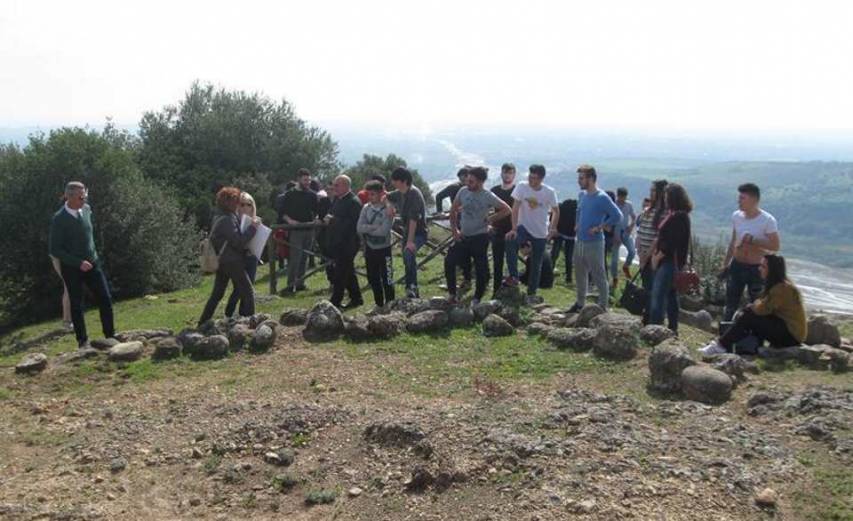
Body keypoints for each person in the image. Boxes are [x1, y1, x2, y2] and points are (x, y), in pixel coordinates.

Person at [48, 181, 115, 348]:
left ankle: (111, 335)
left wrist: (93, 256)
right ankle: (82, 342)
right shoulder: (59, 219)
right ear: (69, 197)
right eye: (81, 196)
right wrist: (78, 262)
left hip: (93, 263)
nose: (84, 199)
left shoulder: (86, 209)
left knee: (105, 298)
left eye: (85, 195)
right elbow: (55, 249)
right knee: (77, 305)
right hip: (72, 268)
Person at [701, 254, 806, 355]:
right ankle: (732, 345)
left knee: (750, 315)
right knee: (750, 314)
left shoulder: (781, 288)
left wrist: (752, 306)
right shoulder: (779, 285)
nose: (759, 268)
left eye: (763, 266)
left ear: (772, 270)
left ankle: (721, 345)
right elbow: (763, 306)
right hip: (787, 331)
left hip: (791, 336)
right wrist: (754, 306)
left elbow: (762, 309)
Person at [446, 166, 511, 304]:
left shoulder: (487, 195)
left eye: (471, 182)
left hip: (480, 237)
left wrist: (490, 219)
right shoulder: (463, 191)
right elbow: (453, 211)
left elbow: (507, 209)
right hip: (463, 236)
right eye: (468, 180)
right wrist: (454, 231)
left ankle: (477, 298)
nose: (468, 184)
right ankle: (452, 294)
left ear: (481, 182)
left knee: (481, 269)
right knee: (449, 261)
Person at [198, 187, 259, 326]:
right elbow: (238, 242)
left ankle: (202, 323)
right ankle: (251, 324)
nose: (239, 204)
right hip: (232, 262)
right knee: (247, 291)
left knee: (217, 294)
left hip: (222, 261)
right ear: (230, 203)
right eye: (237, 201)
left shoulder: (219, 216)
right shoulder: (227, 220)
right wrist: (253, 228)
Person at [721, 183, 781, 321]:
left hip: (756, 269)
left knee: (757, 305)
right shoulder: (737, 216)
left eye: (742, 198)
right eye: (739, 198)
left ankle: (755, 338)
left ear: (754, 200)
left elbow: (775, 246)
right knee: (730, 303)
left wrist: (753, 240)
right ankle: (725, 335)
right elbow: (733, 240)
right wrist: (726, 263)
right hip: (737, 265)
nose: (739, 201)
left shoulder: (768, 220)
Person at [568, 165, 623, 312]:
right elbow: (579, 210)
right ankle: (580, 304)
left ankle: (603, 307)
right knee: (580, 274)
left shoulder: (602, 197)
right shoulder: (583, 195)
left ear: (591, 179)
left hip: (595, 242)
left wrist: (601, 227)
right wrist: (577, 224)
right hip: (579, 240)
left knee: (598, 275)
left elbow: (617, 216)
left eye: (581, 178)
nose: (579, 181)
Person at [504, 164, 559, 302]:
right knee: (510, 241)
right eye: (530, 176)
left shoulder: (549, 192)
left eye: (534, 178)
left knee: (536, 263)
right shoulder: (522, 187)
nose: (530, 180)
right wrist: (514, 228)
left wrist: (552, 228)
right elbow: (515, 208)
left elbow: (556, 211)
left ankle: (531, 293)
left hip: (540, 231)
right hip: (523, 227)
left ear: (541, 179)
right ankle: (514, 276)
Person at [648, 183, 693, 333]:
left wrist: (657, 257)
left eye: (667, 196)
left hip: (668, 263)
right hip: (674, 263)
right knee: (671, 296)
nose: (665, 198)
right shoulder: (681, 215)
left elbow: (671, 242)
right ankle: (672, 328)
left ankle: (655, 329)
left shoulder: (678, 217)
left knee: (658, 296)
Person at [387, 167, 428, 298]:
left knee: (409, 254)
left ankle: (412, 287)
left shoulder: (414, 194)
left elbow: (413, 220)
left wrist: (410, 241)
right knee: (407, 259)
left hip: (419, 232)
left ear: (404, 181)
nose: (393, 182)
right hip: (407, 232)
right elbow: (386, 196)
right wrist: (390, 206)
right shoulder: (399, 193)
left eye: (395, 180)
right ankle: (410, 288)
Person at [326, 175, 363, 309]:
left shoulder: (354, 202)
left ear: (346, 186)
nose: (334, 188)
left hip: (349, 243)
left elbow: (352, 224)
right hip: (338, 242)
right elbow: (332, 214)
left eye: (337, 185)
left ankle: (335, 302)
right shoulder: (338, 199)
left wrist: (333, 220)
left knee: (340, 273)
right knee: (348, 272)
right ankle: (356, 298)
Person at [357, 180, 395, 308]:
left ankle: (390, 304)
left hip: (385, 249)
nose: (370, 197)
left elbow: (384, 231)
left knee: (387, 278)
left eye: (373, 194)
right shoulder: (366, 208)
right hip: (370, 249)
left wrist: (368, 229)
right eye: (369, 194)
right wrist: (374, 226)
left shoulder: (389, 209)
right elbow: (359, 228)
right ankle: (379, 304)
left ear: (380, 194)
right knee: (373, 278)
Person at [281, 169, 319, 293]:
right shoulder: (289, 194)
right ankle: (290, 285)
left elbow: (317, 211)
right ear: (298, 179)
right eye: (305, 180)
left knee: (304, 258)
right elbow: (282, 213)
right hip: (296, 230)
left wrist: (316, 220)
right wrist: (290, 221)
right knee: (295, 259)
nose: (308, 182)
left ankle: (301, 283)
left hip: (309, 229)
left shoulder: (312, 195)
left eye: (309, 180)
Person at [635, 180, 668, 322]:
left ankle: (653, 319)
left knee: (655, 290)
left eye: (654, 190)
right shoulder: (647, 211)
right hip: (643, 255)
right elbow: (640, 232)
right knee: (647, 287)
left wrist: (647, 255)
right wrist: (641, 253)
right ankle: (646, 315)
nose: (651, 193)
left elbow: (658, 237)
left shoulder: (665, 213)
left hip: (654, 258)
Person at [224, 192, 261, 318]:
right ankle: (229, 312)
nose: (245, 207)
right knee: (240, 288)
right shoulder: (232, 221)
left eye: (249, 204)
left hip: (252, 257)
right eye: (242, 204)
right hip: (237, 259)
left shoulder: (256, 220)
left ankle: (244, 315)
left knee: (249, 285)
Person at [490, 163, 516, 297]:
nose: (507, 175)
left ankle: (512, 291)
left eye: (510, 172)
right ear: (501, 174)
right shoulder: (494, 190)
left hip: (513, 231)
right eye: (505, 172)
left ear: (514, 175)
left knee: (512, 261)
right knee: (497, 262)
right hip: (497, 230)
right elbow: (486, 207)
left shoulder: (518, 191)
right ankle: (496, 290)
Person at [550, 197, 577, 284]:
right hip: (570, 235)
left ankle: (549, 273)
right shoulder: (576, 210)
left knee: (554, 254)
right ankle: (568, 278)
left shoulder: (560, 207)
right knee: (568, 257)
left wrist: (554, 228)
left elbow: (552, 216)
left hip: (560, 233)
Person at [614, 187, 637, 279]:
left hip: (626, 232)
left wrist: (631, 226)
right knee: (614, 260)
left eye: (624, 198)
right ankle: (615, 277)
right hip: (616, 232)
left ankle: (626, 266)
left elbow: (634, 217)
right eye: (621, 197)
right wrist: (615, 235)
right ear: (618, 196)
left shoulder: (629, 205)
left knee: (632, 252)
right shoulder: (613, 204)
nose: (622, 200)